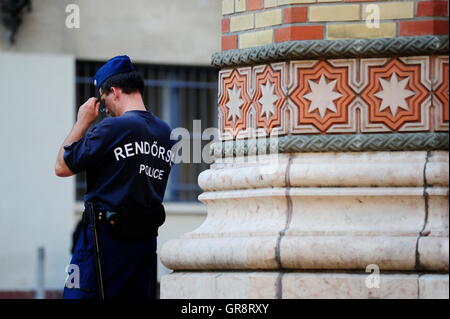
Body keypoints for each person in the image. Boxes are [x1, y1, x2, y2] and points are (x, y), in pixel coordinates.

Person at [55, 55, 175, 299]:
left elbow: (61, 167)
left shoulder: (112, 128)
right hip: (143, 245)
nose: (104, 107)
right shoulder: (167, 133)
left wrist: (82, 121)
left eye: (103, 97)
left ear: (115, 90)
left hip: (102, 243)